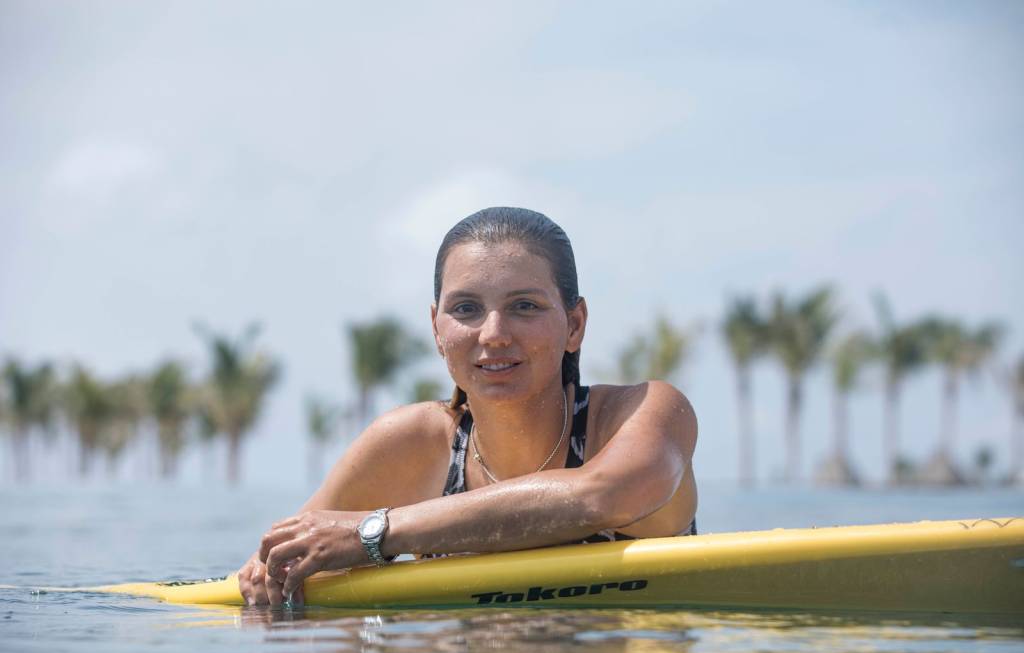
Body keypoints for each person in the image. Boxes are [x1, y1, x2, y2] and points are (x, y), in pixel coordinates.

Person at [239, 207, 698, 606]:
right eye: (465, 309)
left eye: (524, 306)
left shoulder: (636, 416)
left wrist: (374, 534)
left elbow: (605, 496)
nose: (493, 333)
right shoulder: (411, 444)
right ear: (437, 330)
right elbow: (276, 564)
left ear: (574, 324)